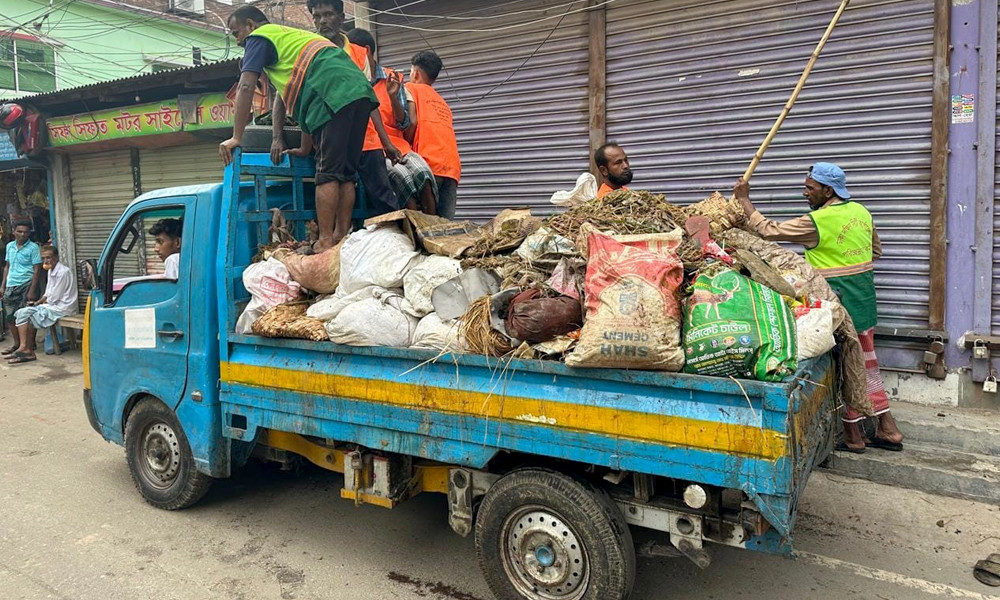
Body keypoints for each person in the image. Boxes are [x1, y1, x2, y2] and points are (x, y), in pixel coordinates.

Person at [735, 162, 904, 454]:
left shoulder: (818, 221)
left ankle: (871, 432)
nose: (805, 193)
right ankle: (869, 431)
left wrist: (744, 201)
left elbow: (768, 230)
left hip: (839, 304)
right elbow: (876, 250)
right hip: (864, 300)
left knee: (849, 367)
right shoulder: (861, 212)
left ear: (828, 190)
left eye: (810, 188)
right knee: (860, 363)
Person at [220, 5, 378, 252]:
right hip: (357, 91)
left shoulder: (260, 38)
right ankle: (340, 237)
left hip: (331, 91)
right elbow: (305, 97)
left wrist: (236, 137)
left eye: (236, 32)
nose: (237, 39)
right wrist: (306, 148)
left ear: (250, 25)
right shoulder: (294, 38)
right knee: (346, 173)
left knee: (326, 173)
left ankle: (325, 241)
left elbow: (246, 86)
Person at [278, 0, 405, 218]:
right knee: (333, 184)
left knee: (383, 198)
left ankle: (398, 242)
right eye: (317, 16)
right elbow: (300, 100)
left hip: (366, 138)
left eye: (328, 15)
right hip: (329, 135)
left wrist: (386, 143)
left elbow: (369, 99)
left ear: (342, 18)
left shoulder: (358, 53)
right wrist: (280, 138)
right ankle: (336, 240)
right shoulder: (306, 50)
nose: (322, 21)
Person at [347, 28, 439, 215]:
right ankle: (413, 229)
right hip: (373, 150)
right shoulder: (350, 81)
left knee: (425, 177)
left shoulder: (392, 79)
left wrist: (393, 97)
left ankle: (432, 227)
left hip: (399, 147)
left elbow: (404, 123)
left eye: (351, 53)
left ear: (365, 51)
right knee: (403, 179)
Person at [407, 50, 461, 219]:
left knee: (423, 224)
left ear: (415, 73)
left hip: (428, 165)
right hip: (451, 169)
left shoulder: (410, 88)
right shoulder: (442, 102)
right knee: (446, 227)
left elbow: (411, 121)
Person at [5, 245, 77, 364]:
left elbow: (54, 297)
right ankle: (26, 349)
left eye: (48, 258)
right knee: (22, 312)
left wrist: (41, 305)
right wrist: (37, 303)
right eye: (43, 258)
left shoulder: (63, 272)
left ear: (56, 257)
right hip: (53, 305)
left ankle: (25, 349)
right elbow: (48, 292)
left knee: (25, 313)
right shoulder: (51, 270)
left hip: (63, 307)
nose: (46, 261)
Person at [1, 220, 42, 357]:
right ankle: (17, 344)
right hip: (11, 285)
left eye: (26, 232)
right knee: (10, 316)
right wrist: (3, 285)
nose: (22, 234)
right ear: (14, 231)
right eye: (20, 231)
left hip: (27, 283)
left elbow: (37, 269)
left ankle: (29, 345)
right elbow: (7, 266)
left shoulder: (33, 248)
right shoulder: (9, 246)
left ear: (29, 233)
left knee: (26, 315)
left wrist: (32, 290)